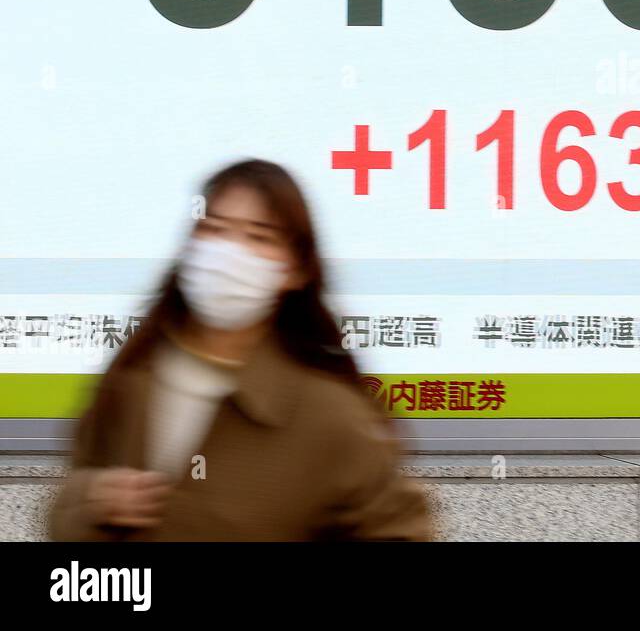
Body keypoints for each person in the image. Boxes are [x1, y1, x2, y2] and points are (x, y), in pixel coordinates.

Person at [49, 159, 430, 541]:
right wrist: (90, 501)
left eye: (259, 238)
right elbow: (67, 504)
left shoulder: (330, 417)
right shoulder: (132, 379)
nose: (228, 254)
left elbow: (400, 530)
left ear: (296, 270)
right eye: (213, 229)